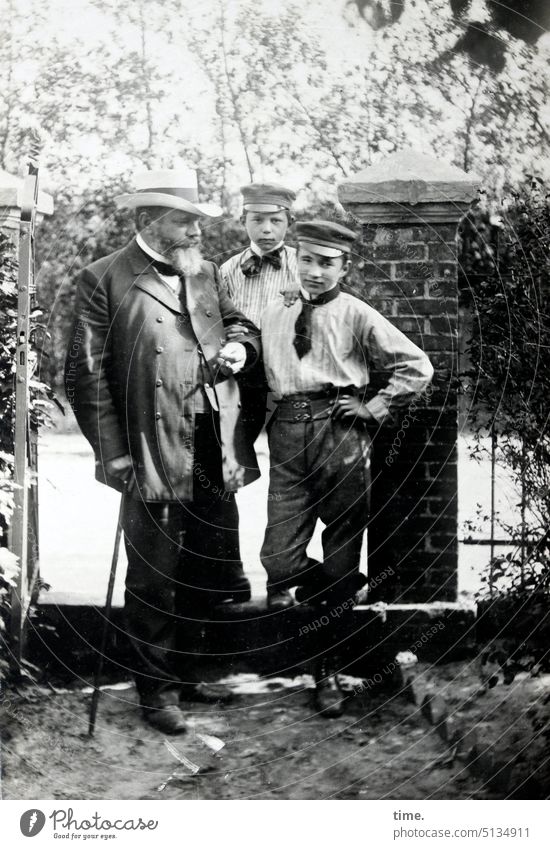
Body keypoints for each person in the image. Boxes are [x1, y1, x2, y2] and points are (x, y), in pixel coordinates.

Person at [65, 169, 261, 734]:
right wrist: (114, 455)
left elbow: (238, 322)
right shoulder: (102, 278)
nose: (196, 230)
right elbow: (86, 376)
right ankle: (157, 691)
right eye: (184, 220)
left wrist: (240, 350)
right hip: (149, 443)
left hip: (208, 433)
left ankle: (194, 672)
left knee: (206, 561)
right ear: (147, 221)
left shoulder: (201, 274)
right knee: (153, 571)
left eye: (197, 220)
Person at [260, 220, 434, 715]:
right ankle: (347, 592)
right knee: (279, 558)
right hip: (288, 431)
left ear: (344, 266)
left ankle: (327, 676)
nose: (315, 271)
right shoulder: (275, 310)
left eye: (327, 262)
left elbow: (416, 366)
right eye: (308, 259)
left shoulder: (356, 313)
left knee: (339, 554)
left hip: (342, 431)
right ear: (295, 258)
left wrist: (375, 408)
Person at [220, 182, 300, 443]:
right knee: (232, 451)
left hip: (290, 375)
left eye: (276, 220)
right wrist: (226, 330)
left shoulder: (304, 267)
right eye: (257, 220)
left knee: (290, 453)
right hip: (245, 378)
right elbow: (216, 317)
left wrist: (304, 295)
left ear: (290, 221)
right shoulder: (228, 270)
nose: (267, 228)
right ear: (244, 221)